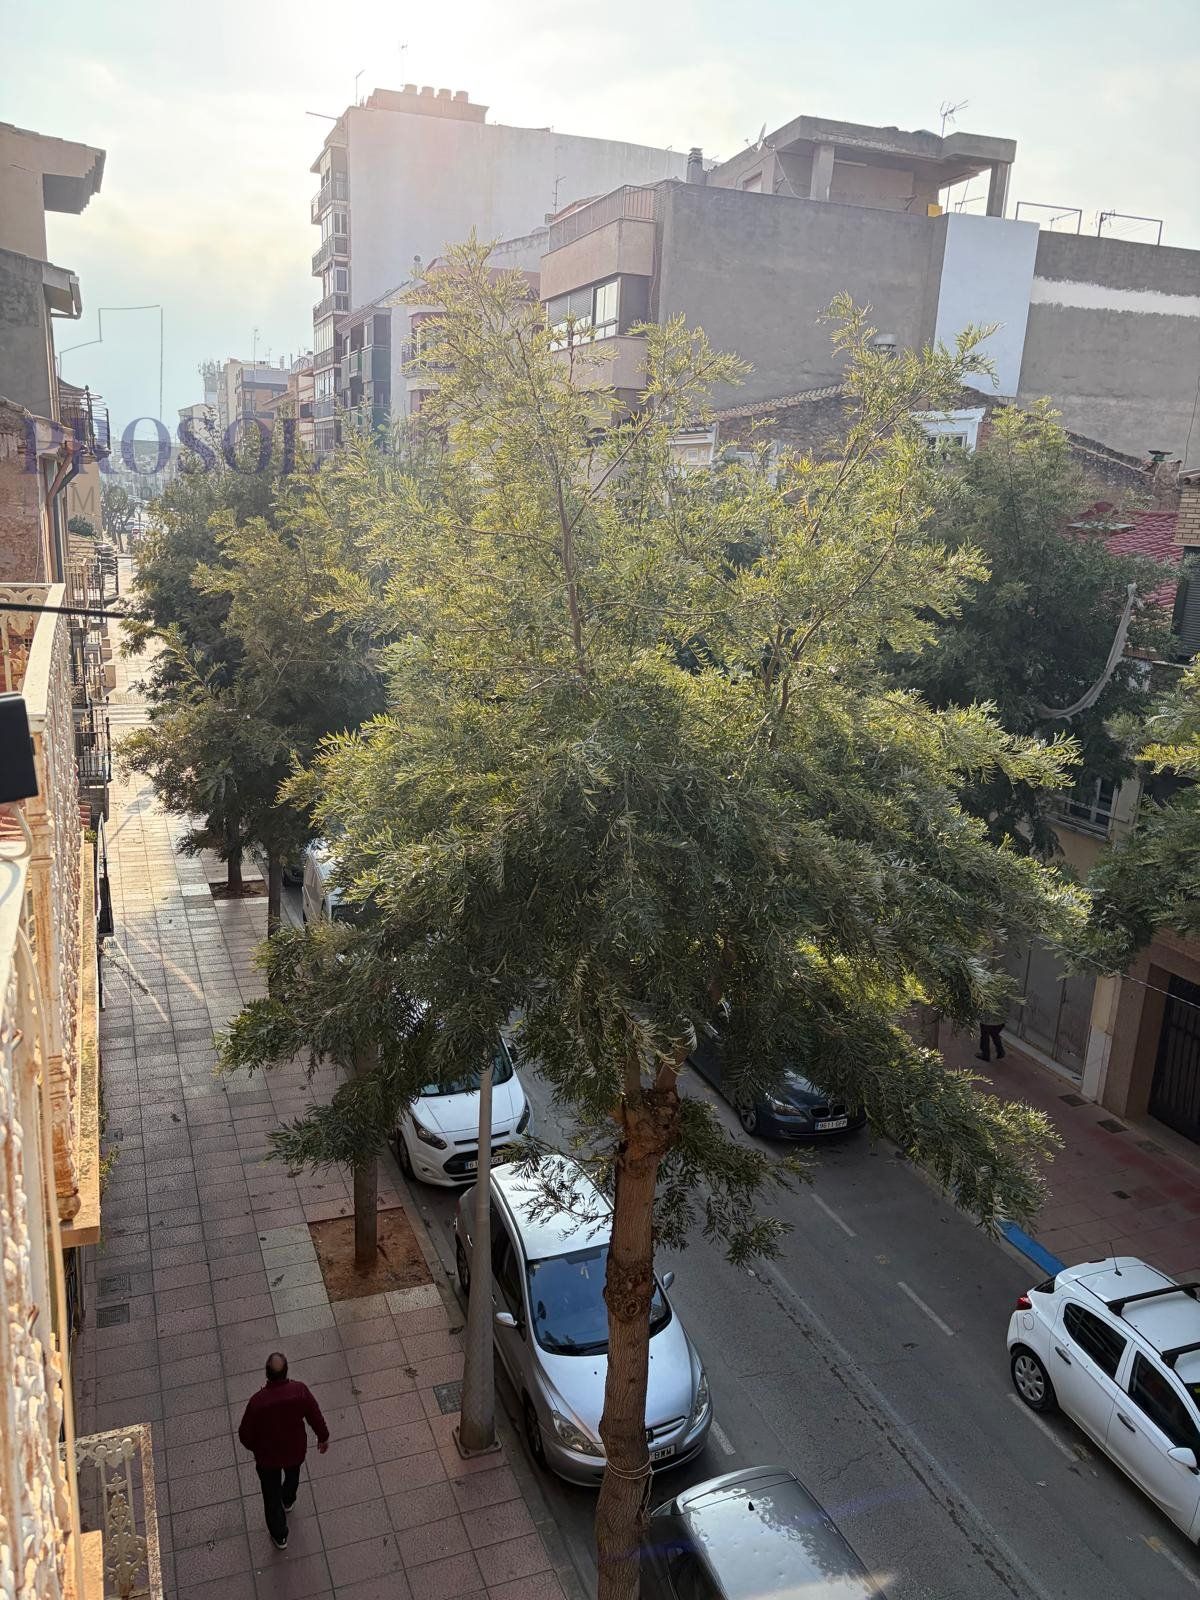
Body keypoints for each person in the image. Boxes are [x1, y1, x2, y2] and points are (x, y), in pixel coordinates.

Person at [237, 1352, 329, 1550]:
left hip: (267, 1458)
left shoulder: (258, 1402)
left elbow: (244, 1435)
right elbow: (315, 1415)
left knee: (271, 1496)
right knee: (292, 1475)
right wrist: (323, 1437)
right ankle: (288, 1499)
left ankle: (280, 1536)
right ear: (286, 1371)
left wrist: (257, 1448)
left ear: (267, 1373)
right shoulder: (299, 1391)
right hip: (294, 1450)